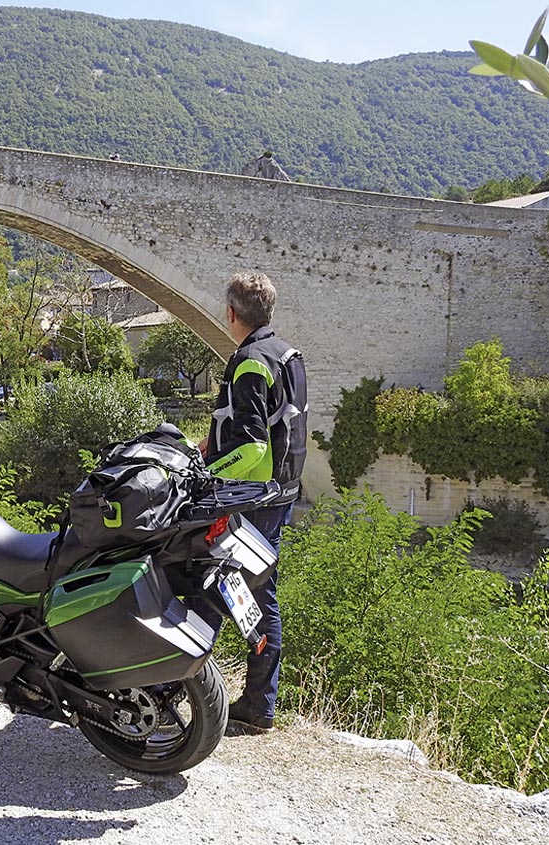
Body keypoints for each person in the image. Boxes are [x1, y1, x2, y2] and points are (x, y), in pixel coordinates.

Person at [198, 270, 307, 734]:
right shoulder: (286, 354)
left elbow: (253, 449)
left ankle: (181, 689)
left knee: (208, 584)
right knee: (258, 593)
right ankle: (259, 703)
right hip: (282, 494)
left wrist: (202, 475)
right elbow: (273, 424)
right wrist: (211, 442)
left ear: (230, 313)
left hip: (250, 499)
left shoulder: (247, 362)